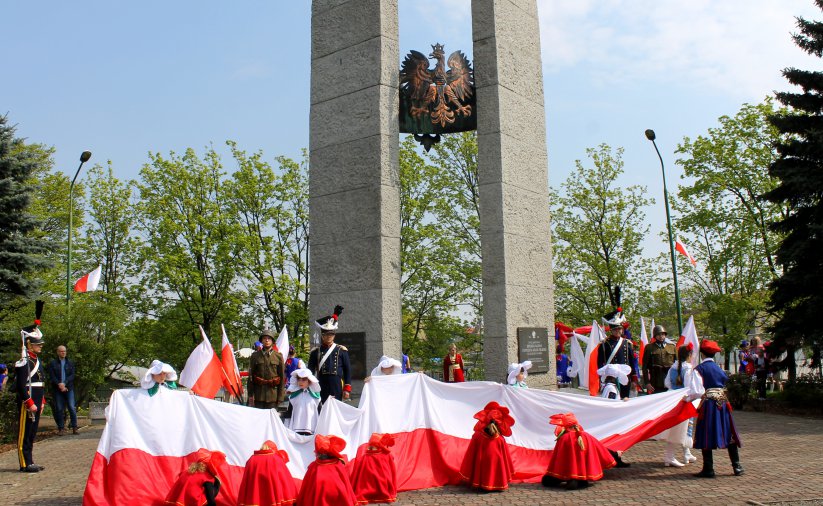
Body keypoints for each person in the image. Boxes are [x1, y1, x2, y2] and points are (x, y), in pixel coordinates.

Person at [693, 339, 744, 478]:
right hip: (722, 403)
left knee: (706, 432)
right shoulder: (719, 369)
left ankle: (708, 469)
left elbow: (696, 391)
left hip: (708, 404)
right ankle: (737, 466)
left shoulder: (699, 369)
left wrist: (686, 398)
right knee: (728, 431)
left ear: (702, 354)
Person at [542, 412, 616, 490]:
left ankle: (572, 479)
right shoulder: (587, 436)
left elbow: (559, 457)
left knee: (546, 481)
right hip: (583, 470)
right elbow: (600, 448)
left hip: (568, 470)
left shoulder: (564, 438)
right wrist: (614, 455)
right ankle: (581, 479)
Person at [662, 343, 703, 467]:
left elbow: (667, 383)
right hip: (684, 401)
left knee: (681, 429)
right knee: (678, 430)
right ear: (689, 355)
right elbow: (691, 389)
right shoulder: (689, 369)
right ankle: (670, 456)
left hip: (674, 401)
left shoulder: (672, 368)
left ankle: (686, 453)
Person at [459, 401, 516, 491]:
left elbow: (471, 458)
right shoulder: (500, 439)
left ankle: (481, 483)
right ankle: (496, 484)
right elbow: (505, 460)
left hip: (480, 476)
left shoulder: (477, 436)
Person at [15, 311, 47, 473]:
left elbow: (40, 383)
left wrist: (41, 401)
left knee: (32, 432)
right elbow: (20, 385)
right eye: (37, 344)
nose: (40, 346)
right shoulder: (24, 361)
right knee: (25, 432)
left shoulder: (36, 360)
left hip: (36, 399)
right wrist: (29, 402)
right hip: (27, 401)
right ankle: (24, 463)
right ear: (29, 344)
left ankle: (30, 460)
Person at [297, 434, 358, 506]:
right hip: (338, 499)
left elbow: (306, 488)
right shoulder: (337, 465)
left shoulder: (313, 467)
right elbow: (346, 485)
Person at [308, 306, 352, 405]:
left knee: (336, 408)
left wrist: (347, 388)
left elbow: (347, 370)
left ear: (334, 335)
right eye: (326, 335)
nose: (328, 337)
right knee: (322, 408)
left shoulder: (341, 350)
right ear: (322, 336)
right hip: (321, 383)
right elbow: (310, 370)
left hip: (336, 383)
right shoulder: (316, 351)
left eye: (331, 335)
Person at [597, 304, 639, 399]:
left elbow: (631, 362)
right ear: (611, 330)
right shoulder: (604, 344)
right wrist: (600, 379)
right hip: (610, 378)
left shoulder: (627, 343)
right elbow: (600, 363)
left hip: (625, 377)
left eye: (619, 329)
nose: (617, 331)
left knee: (625, 399)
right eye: (615, 329)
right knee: (612, 400)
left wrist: (633, 378)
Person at [237, 440, 297, 506]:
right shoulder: (276, 459)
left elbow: (246, 482)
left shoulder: (251, 459)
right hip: (273, 498)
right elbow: (285, 481)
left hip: (254, 497)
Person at [350, 433, 398, 505]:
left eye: (374, 446)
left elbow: (389, 471)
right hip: (367, 485)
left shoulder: (385, 456)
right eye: (371, 446)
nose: (372, 448)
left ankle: (380, 494)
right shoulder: (366, 457)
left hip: (371, 486)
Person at [248, 328, 286, 409]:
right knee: (258, 419)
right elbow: (251, 377)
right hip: (259, 395)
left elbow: (282, 378)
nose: (267, 340)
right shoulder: (255, 356)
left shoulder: (278, 356)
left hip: (273, 395)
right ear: (261, 341)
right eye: (264, 338)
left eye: (269, 338)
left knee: (271, 419)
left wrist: (280, 397)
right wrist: (250, 395)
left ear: (272, 341)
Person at [47, 344, 78, 436]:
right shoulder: (53, 363)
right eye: (61, 351)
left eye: (64, 351)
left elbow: (72, 375)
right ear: (58, 352)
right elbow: (52, 376)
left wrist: (65, 383)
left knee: (72, 407)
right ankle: (61, 428)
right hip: (57, 389)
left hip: (69, 388)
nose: (63, 353)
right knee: (59, 409)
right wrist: (59, 384)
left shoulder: (70, 363)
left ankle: (74, 427)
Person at [285, 368, 321, 435]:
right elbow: (289, 411)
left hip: (311, 428)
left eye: (304, 380)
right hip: (296, 428)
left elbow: (320, 412)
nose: (300, 382)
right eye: (299, 379)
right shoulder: (294, 396)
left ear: (309, 381)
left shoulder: (315, 397)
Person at [642, 325, 676, 394]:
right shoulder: (649, 347)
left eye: (663, 334)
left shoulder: (672, 347)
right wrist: (647, 382)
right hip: (656, 381)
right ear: (655, 336)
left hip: (671, 380)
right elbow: (644, 367)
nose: (661, 336)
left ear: (665, 335)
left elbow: (677, 364)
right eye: (658, 334)